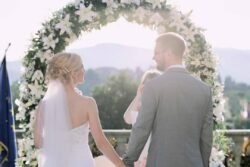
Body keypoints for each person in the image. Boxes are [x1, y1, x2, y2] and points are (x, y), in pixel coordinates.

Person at [122, 32, 213, 167]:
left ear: (169, 53)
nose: (153, 57)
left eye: (157, 52)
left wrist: (128, 160)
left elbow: (141, 128)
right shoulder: (204, 90)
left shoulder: (153, 87)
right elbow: (206, 138)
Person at [34, 52, 125, 167]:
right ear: (74, 73)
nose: (84, 70)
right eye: (82, 66)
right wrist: (121, 165)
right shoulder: (88, 103)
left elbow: (38, 142)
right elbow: (101, 143)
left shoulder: (44, 105)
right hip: (81, 162)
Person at [123, 70, 161, 167]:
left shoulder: (162, 104)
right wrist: (138, 95)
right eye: (146, 83)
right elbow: (127, 119)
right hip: (140, 153)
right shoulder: (139, 104)